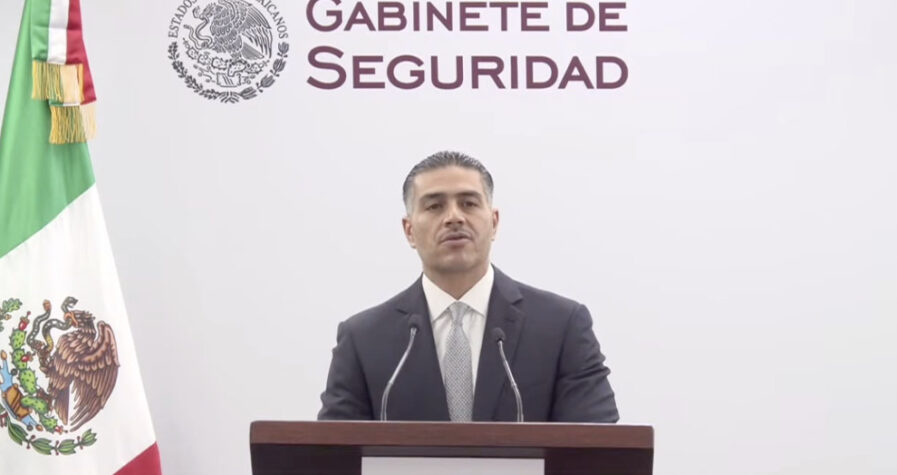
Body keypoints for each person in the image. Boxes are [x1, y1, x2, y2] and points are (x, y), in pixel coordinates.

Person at [318, 151, 618, 422]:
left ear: (494, 222)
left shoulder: (561, 326)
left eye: (469, 203)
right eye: (435, 206)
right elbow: (333, 453)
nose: (454, 217)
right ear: (409, 230)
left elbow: (597, 443)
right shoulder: (364, 339)